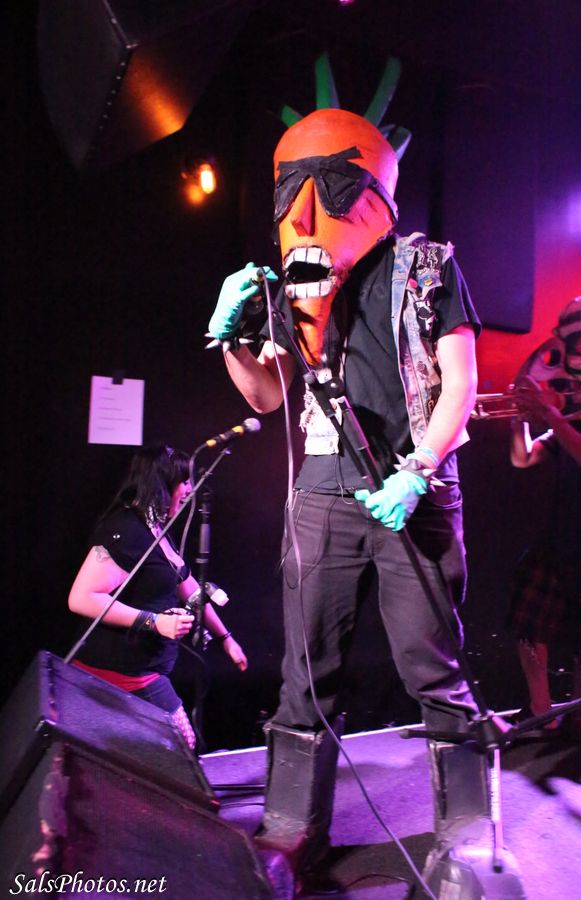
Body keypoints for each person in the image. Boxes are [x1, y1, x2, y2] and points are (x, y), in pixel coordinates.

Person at [207, 78, 521, 895]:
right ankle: (291, 828)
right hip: (322, 491)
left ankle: (466, 831)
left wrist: (419, 469)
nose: (307, 212)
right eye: (291, 191)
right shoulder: (293, 288)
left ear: (376, 196)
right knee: (305, 670)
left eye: (333, 187)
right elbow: (267, 395)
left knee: (432, 664)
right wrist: (231, 338)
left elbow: (460, 383)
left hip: (412, 492)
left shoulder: (425, 268)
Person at [68, 444, 247, 751]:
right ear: (162, 483)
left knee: (171, 751)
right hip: (118, 673)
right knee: (181, 747)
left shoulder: (157, 530)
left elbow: (189, 588)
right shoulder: (126, 531)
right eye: (184, 481)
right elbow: (81, 598)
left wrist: (225, 638)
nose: (189, 490)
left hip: (144, 671)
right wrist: (154, 622)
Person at [509, 295, 581, 742]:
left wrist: (549, 414)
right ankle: (541, 710)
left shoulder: (576, 427)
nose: (573, 390)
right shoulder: (571, 423)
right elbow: (523, 458)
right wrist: (519, 416)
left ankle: (578, 715)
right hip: (562, 539)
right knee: (529, 622)